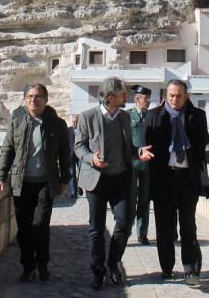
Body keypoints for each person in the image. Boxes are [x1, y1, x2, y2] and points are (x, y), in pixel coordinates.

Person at [0, 84, 71, 282]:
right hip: (21, 183)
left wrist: (64, 179)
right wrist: (1, 178)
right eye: (29, 96)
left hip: (45, 183)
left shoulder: (57, 124)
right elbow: (7, 151)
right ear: (24, 99)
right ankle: (28, 266)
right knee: (24, 228)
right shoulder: (17, 122)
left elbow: (65, 153)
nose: (33, 100)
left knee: (40, 224)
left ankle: (42, 264)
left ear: (46, 99)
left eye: (37, 96)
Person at [140, 79, 209, 287]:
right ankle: (167, 267)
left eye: (179, 95)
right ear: (165, 95)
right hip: (163, 179)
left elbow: (202, 142)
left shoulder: (197, 116)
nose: (175, 99)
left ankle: (190, 269)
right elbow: (146, 145)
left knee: (188, 225)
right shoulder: (153, 116)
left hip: (187, 178)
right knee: (164, 226)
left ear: (186, 96)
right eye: (171, 95)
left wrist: (184, 131)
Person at [75, 77, 135, 289]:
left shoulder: (125, 117)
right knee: (96, 229)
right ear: (110, 97)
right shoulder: (87, 117)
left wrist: (140, 152)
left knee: (125, 222)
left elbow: (129, 147)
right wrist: (92, 158)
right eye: (122, 94)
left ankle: (113, 262)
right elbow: (79, 147)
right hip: (96, 181)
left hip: (120, 178)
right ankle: (98, 271)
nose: (126, 97)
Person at [127, 85, 152, 245]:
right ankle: (126, 230)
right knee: (130, 199)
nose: (149, 101)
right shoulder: (127, 116)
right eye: (146, 98)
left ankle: (142, 233)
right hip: (132, 163)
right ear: (137, 99)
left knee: (144, 199)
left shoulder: (150, 116)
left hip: (147, 165)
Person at [67, 115, 80, 198]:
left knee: (83, 173)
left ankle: (83, 188)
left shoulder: (82, 129)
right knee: (72, 174)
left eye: (76, 121)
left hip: (80, 155)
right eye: (73, 121)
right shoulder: (68, 130)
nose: (74, 123)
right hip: (71, 155)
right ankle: (73, 192)